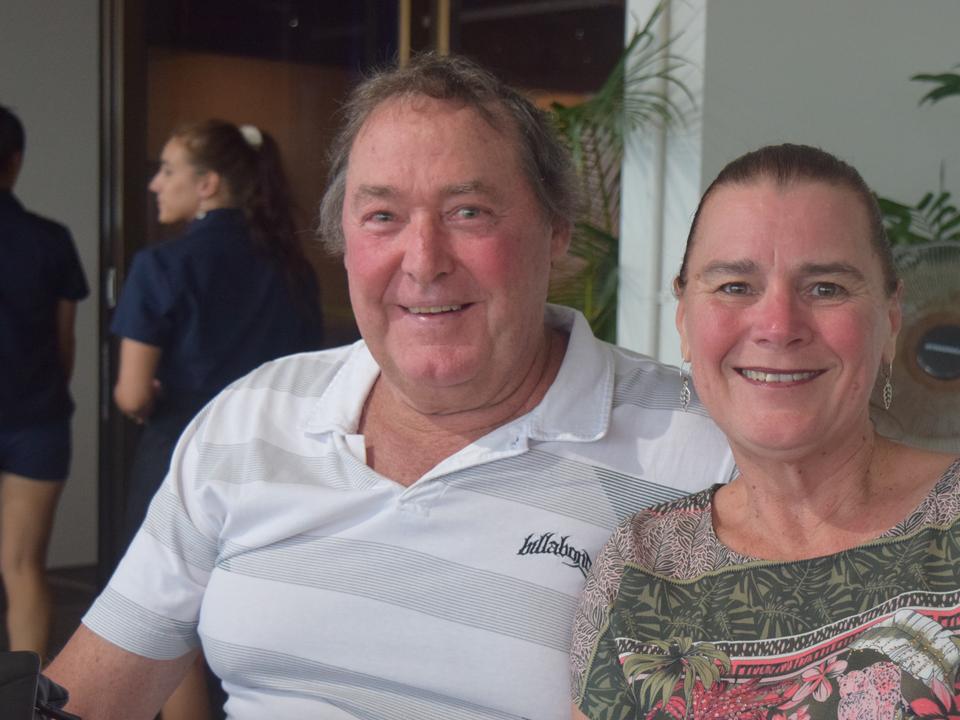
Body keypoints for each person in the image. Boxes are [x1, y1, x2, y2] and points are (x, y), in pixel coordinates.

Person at [45, 54, 734, 719]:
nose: (424, 260)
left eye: (468, 212)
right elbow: (91, 694)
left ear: (556, 231)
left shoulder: (702, 449)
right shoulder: (250, 419)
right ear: (342, 236)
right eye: (382, 216)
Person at [570, 144, 960, 719]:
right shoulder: (638, 569)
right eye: (735, 286)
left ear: (890, 319)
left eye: (826, 287)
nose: (778, 325)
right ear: (684, 318)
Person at [108, 119, 324, 719]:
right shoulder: (293, 269)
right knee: (253, 612)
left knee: (171, 624)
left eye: (168, 170)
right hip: (278, 463)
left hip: (178, 456)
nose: (155, 183)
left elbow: (129, 394)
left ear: (207, 184)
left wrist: (147, 395)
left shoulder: (162, 266)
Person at [0, 104, 89, 662]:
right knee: (23, 564)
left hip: (35, 415)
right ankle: (24, 704)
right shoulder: (50, 239)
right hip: (36, 418)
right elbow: (64, 343)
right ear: (16, 162)